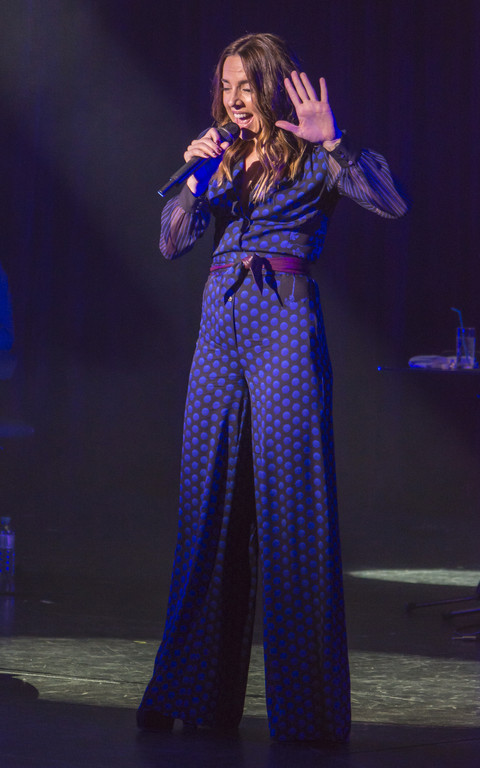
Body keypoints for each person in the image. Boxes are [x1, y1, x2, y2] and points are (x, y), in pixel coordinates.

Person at [138, 32, 407, 743]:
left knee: (293, 509)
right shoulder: (220, 161)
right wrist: (196, 177)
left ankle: (307, 713)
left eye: (246, 87)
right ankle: (190, 693)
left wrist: (336, 141)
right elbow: (170, 242)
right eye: (225, 87)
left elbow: (391, 203)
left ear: (271, 86)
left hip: (283, 319)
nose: (234, 100)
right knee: (206, 505)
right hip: (220, 323)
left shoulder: (314, 157)